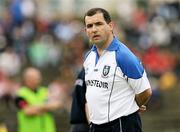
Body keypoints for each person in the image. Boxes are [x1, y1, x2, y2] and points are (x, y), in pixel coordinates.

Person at [83, 8, 152, 132]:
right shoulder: (89, 56)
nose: (94, 29)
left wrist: (132, 106)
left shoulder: (124, 56)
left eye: (98, 24)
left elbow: (145, 91)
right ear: (86, 30)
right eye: (89, 26)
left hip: (121, 125)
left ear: (110, 26)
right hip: (96, 126)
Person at [15, 67, 61, 132]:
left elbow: (57, 104)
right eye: (35, 78)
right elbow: (28, 111)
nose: (38, 79)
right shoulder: (20, 94)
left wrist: (37, 108)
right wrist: (46, 107)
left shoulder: (45, 91)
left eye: (38, 77)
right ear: (27, 79)